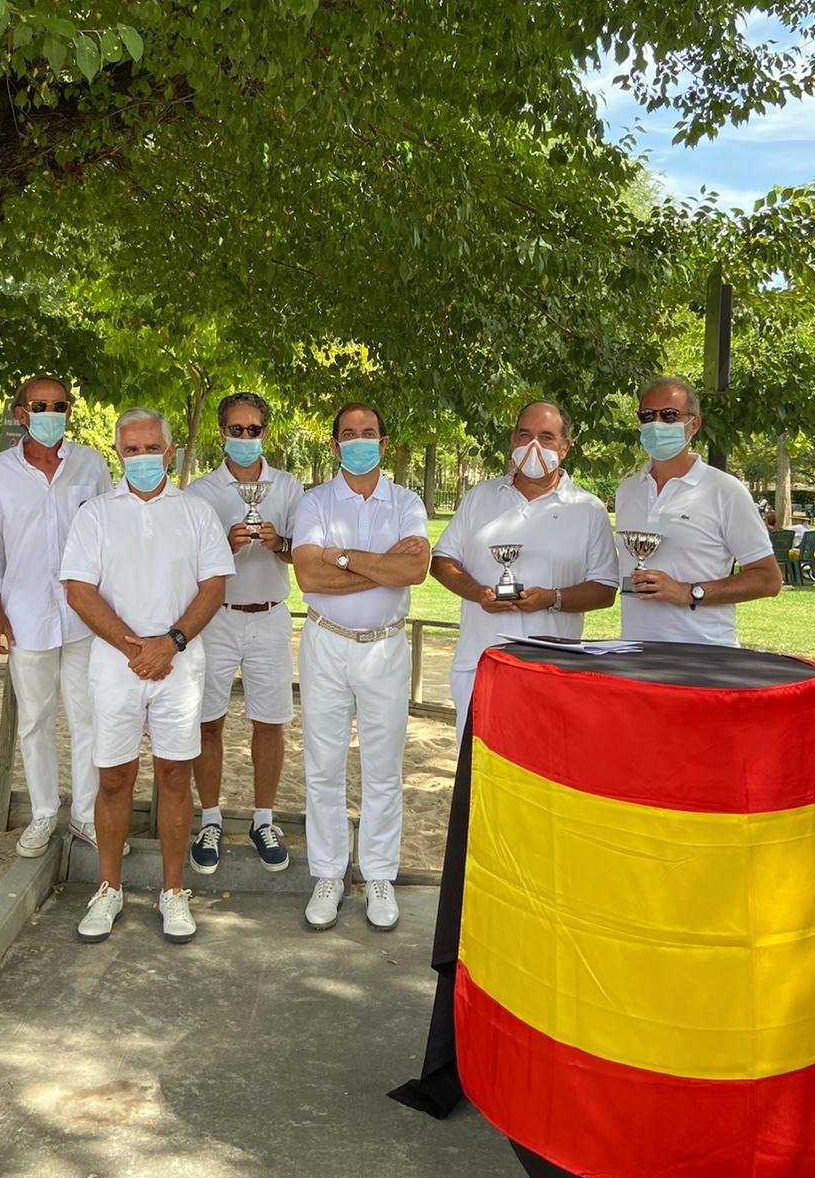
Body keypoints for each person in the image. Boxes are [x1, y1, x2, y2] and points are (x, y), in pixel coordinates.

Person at [60, 407, 234, 945]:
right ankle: (108, 889)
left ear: (169, 449)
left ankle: (173, 891)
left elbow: (213, 588)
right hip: (116, 664)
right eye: (130, 449)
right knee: (113, 777)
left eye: (149, 448)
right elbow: (78, 589)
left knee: (174, 776)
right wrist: (133, 647)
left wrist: (171, 643)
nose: (141, 458)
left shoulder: (197, 511)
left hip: (179, 663)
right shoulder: (95, 514)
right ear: (119, 454)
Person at [291, 403, 430, 932]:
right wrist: (379, 565)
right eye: (347, 434)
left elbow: (415, 568)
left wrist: (342, 555)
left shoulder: (408, 502)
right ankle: (328, 873)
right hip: (326, 644)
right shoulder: (316, 500)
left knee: (382, 768)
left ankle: (378, 875)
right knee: (323, 766)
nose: (358, 441)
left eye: (368, 433)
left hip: (385, 648)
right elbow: (308, 576)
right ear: (333, 445)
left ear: (384, 442)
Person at [0, 376, 113, 858]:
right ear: (21, 413)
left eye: (59, 405)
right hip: (26, 611)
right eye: (40, 405)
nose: (50, 413)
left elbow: (107, 530)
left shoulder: (91, 464)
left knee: (87, 716)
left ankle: (84, 814)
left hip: (84, 615)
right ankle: (42, 813)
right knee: (34, 719)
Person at [431, 401, 619, 742]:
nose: (534, 446)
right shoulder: (480, 497)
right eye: (525, 435)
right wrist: (478, 594)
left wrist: (552, 598)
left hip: (552, 672)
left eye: (546, 438)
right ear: (512, 440)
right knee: (475, 777)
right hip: (481, 664)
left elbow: (605, 589)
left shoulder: (588, 509)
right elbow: (441, 561)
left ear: (564, 448)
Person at [185, 392, 304, 875]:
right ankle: (210, 818)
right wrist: (224, 548)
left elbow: (304, 555)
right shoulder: (199, 492)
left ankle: (262, 819)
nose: (245, 438)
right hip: (216, 617)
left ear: (265, 433)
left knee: (269, 721)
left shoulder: (289, 486)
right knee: (209, 720)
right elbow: (188, 566)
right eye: (237, 430)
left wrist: (279, 544)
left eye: (254, 430)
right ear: (221, 434)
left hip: (272, 614)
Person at [615, 374, 782, 641]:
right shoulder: (627, 490)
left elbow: (768, 579)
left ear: (693, 425)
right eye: (647, 416)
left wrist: (689, 592)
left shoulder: (725, 490)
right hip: (635, 652)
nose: (656, 423)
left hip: (705, 655)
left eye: (669, 415)